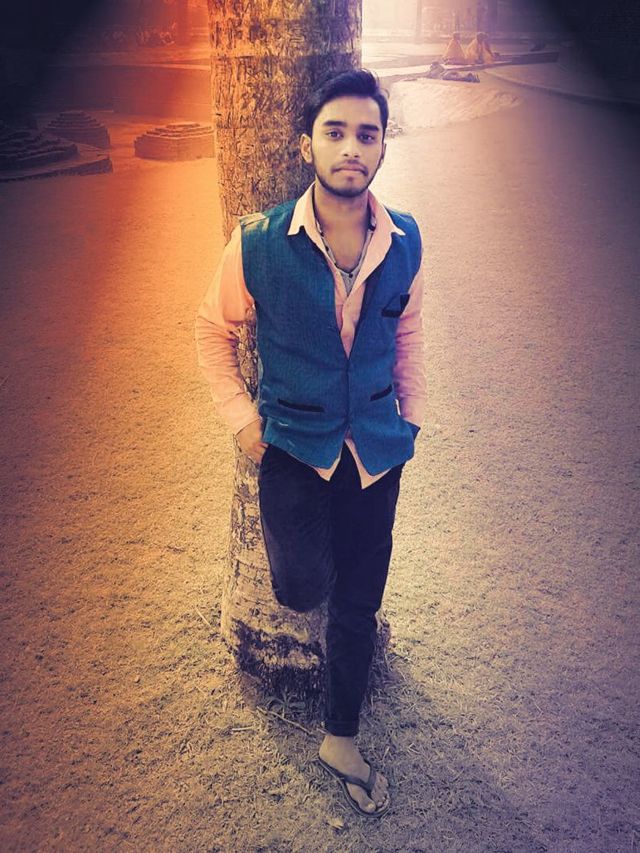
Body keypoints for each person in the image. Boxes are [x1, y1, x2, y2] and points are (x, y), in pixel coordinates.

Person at [195, 69, 426, 818]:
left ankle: (340, 737)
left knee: (359, 601)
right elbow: (212, 331)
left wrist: (412, 417)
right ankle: (327, 594)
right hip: (293, 450)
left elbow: (408, 331)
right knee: (300, 587)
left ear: (382, 147)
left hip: (377, 453)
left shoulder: (405, 239)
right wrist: (243, 421)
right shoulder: (258, 242)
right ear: (307, 145)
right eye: (335, 131)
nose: (351, 146)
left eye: (367, 133)